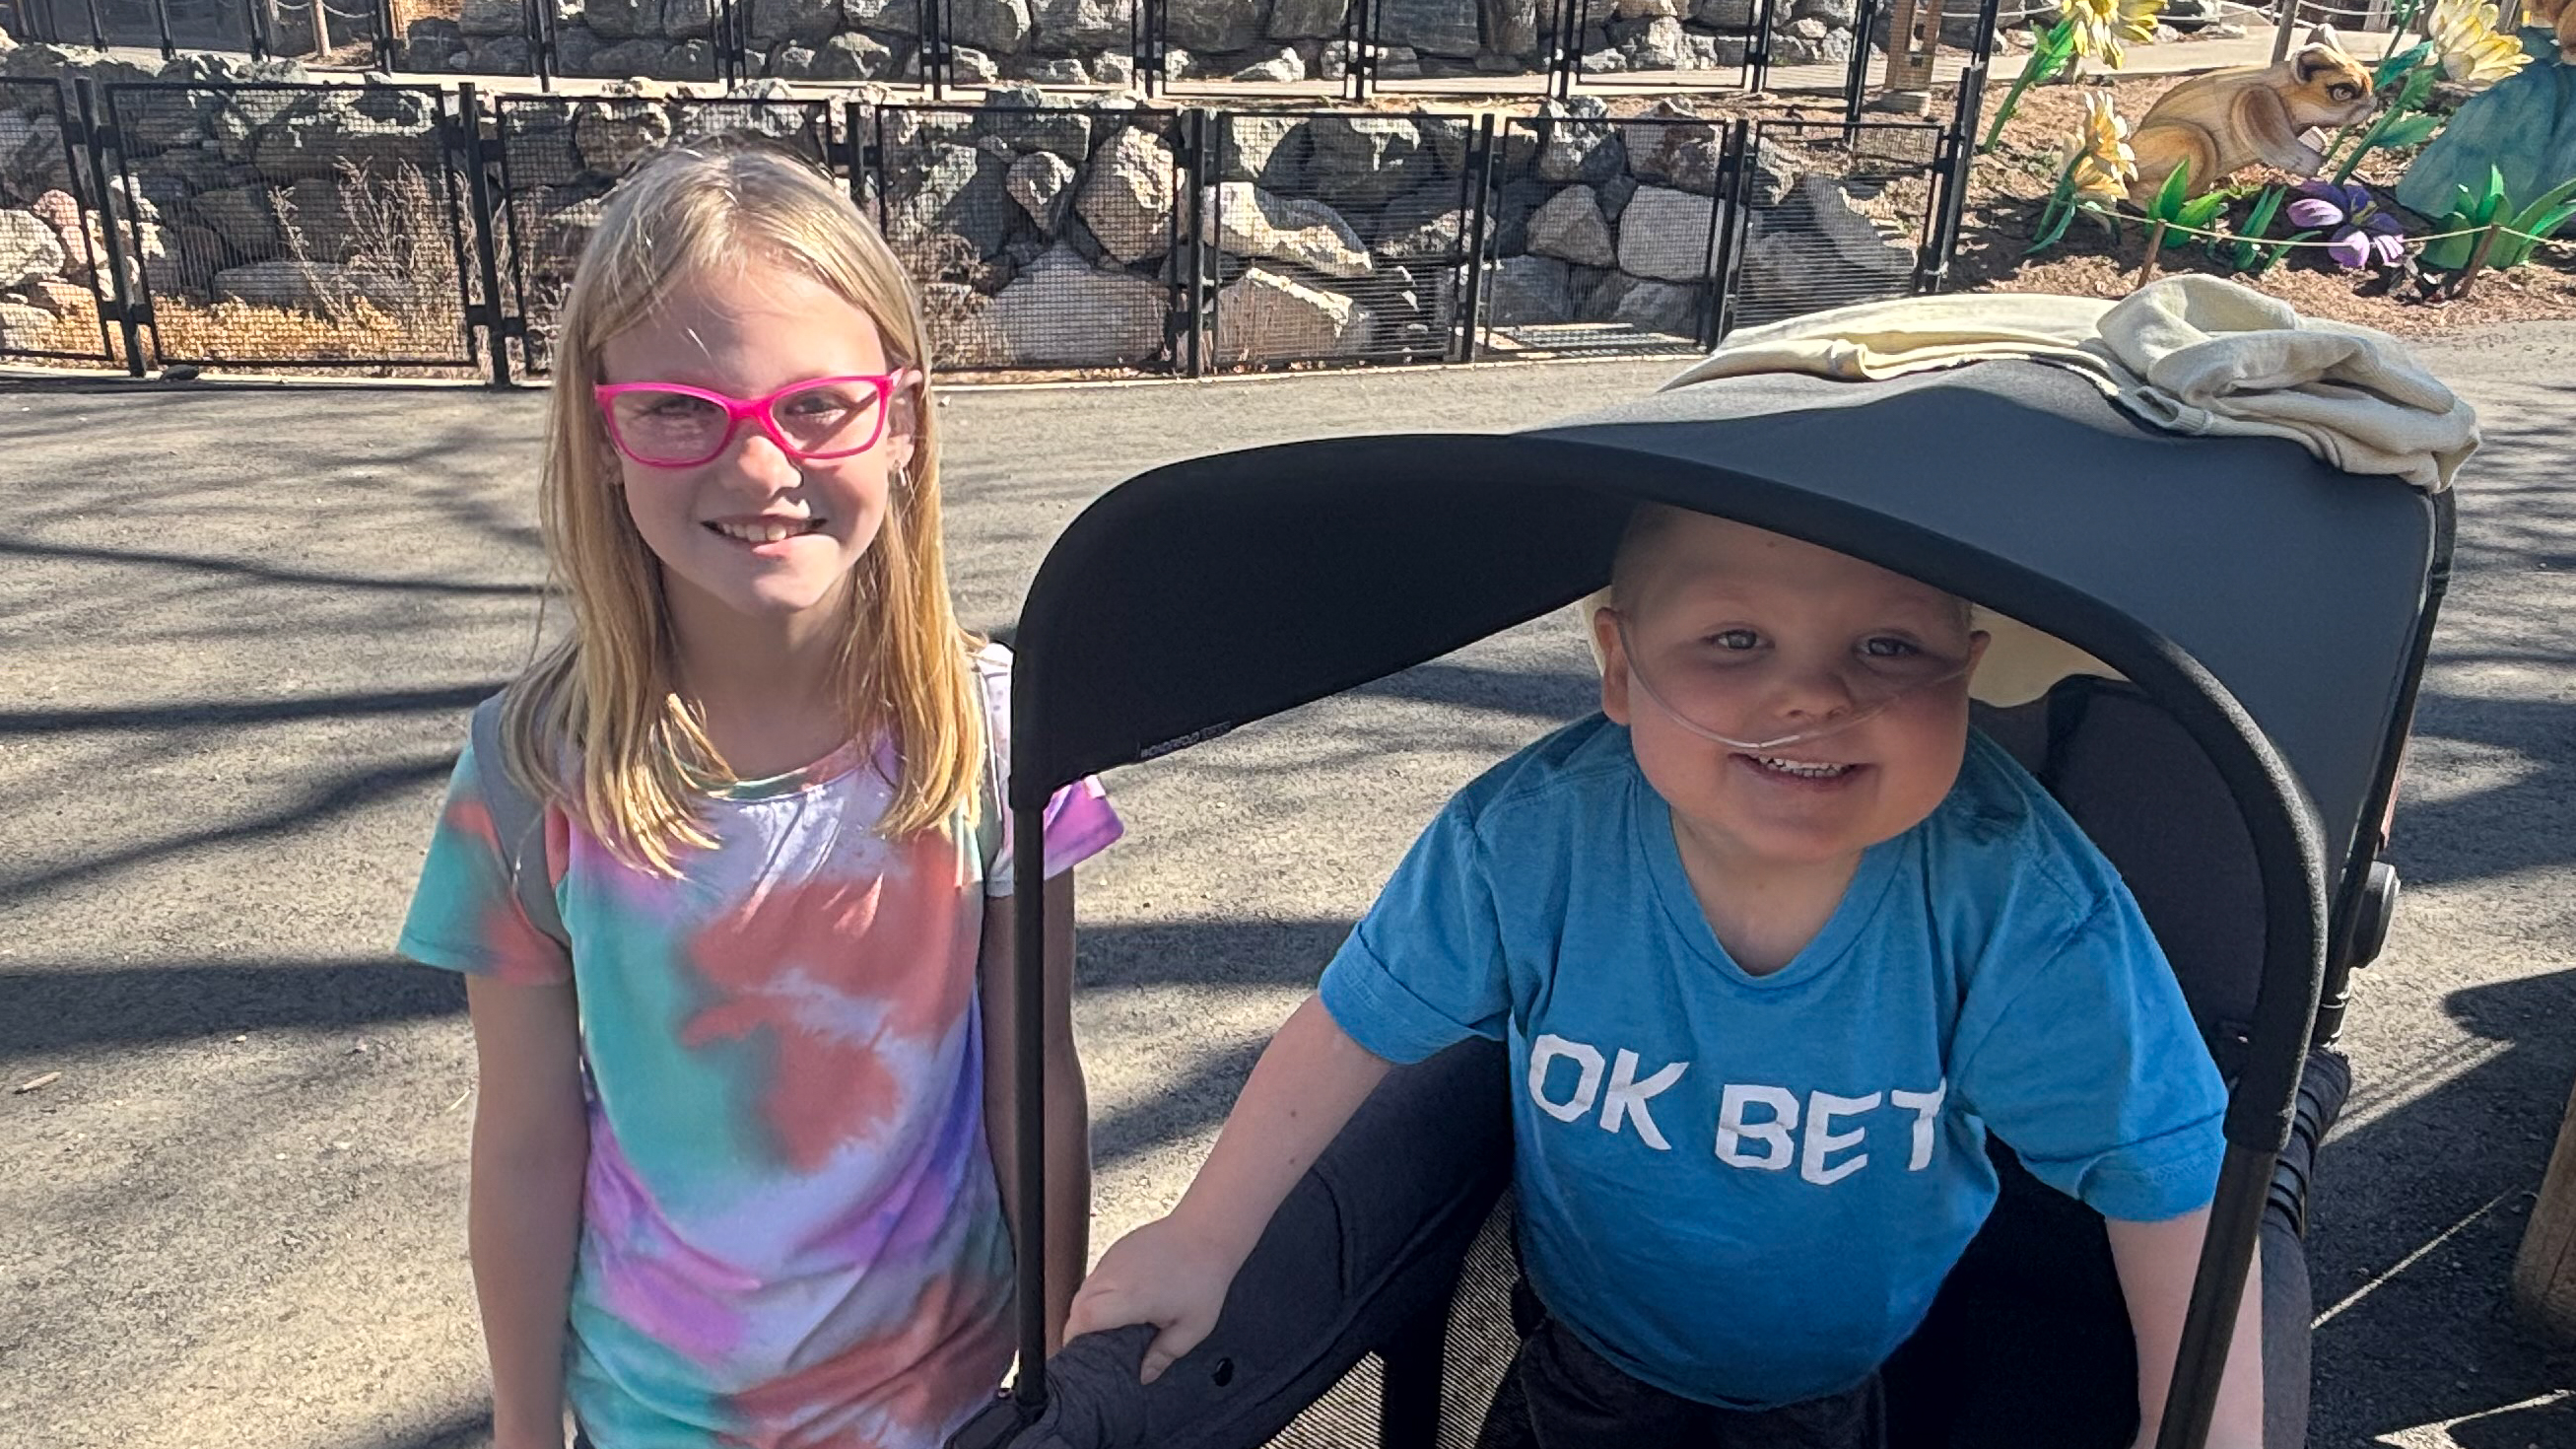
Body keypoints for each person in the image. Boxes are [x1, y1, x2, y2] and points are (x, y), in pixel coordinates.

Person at [1065, 506, 2265, 1448]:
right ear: (1621, 667)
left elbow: (2161, 1163)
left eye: (1889, 646)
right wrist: (1202, 1238)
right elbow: (1352, 1027)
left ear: (1968, 669)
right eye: (1733, 641)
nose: (1812, 693)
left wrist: (2197, 1419)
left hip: (1842, 1357)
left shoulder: (2012, 900)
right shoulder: (1530, 839)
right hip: (1590, 1321)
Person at [395, 144, 1119, 1449]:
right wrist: (517, 1425)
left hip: (947, 1405)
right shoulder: (531, 767)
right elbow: (523, 1139)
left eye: (819, 406)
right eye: (679, 408)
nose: (759, 465)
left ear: (899, 422)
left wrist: (1059, 1368)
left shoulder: (1002, 736)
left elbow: (1035, 1080)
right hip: (657, 1414)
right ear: (601, 433)